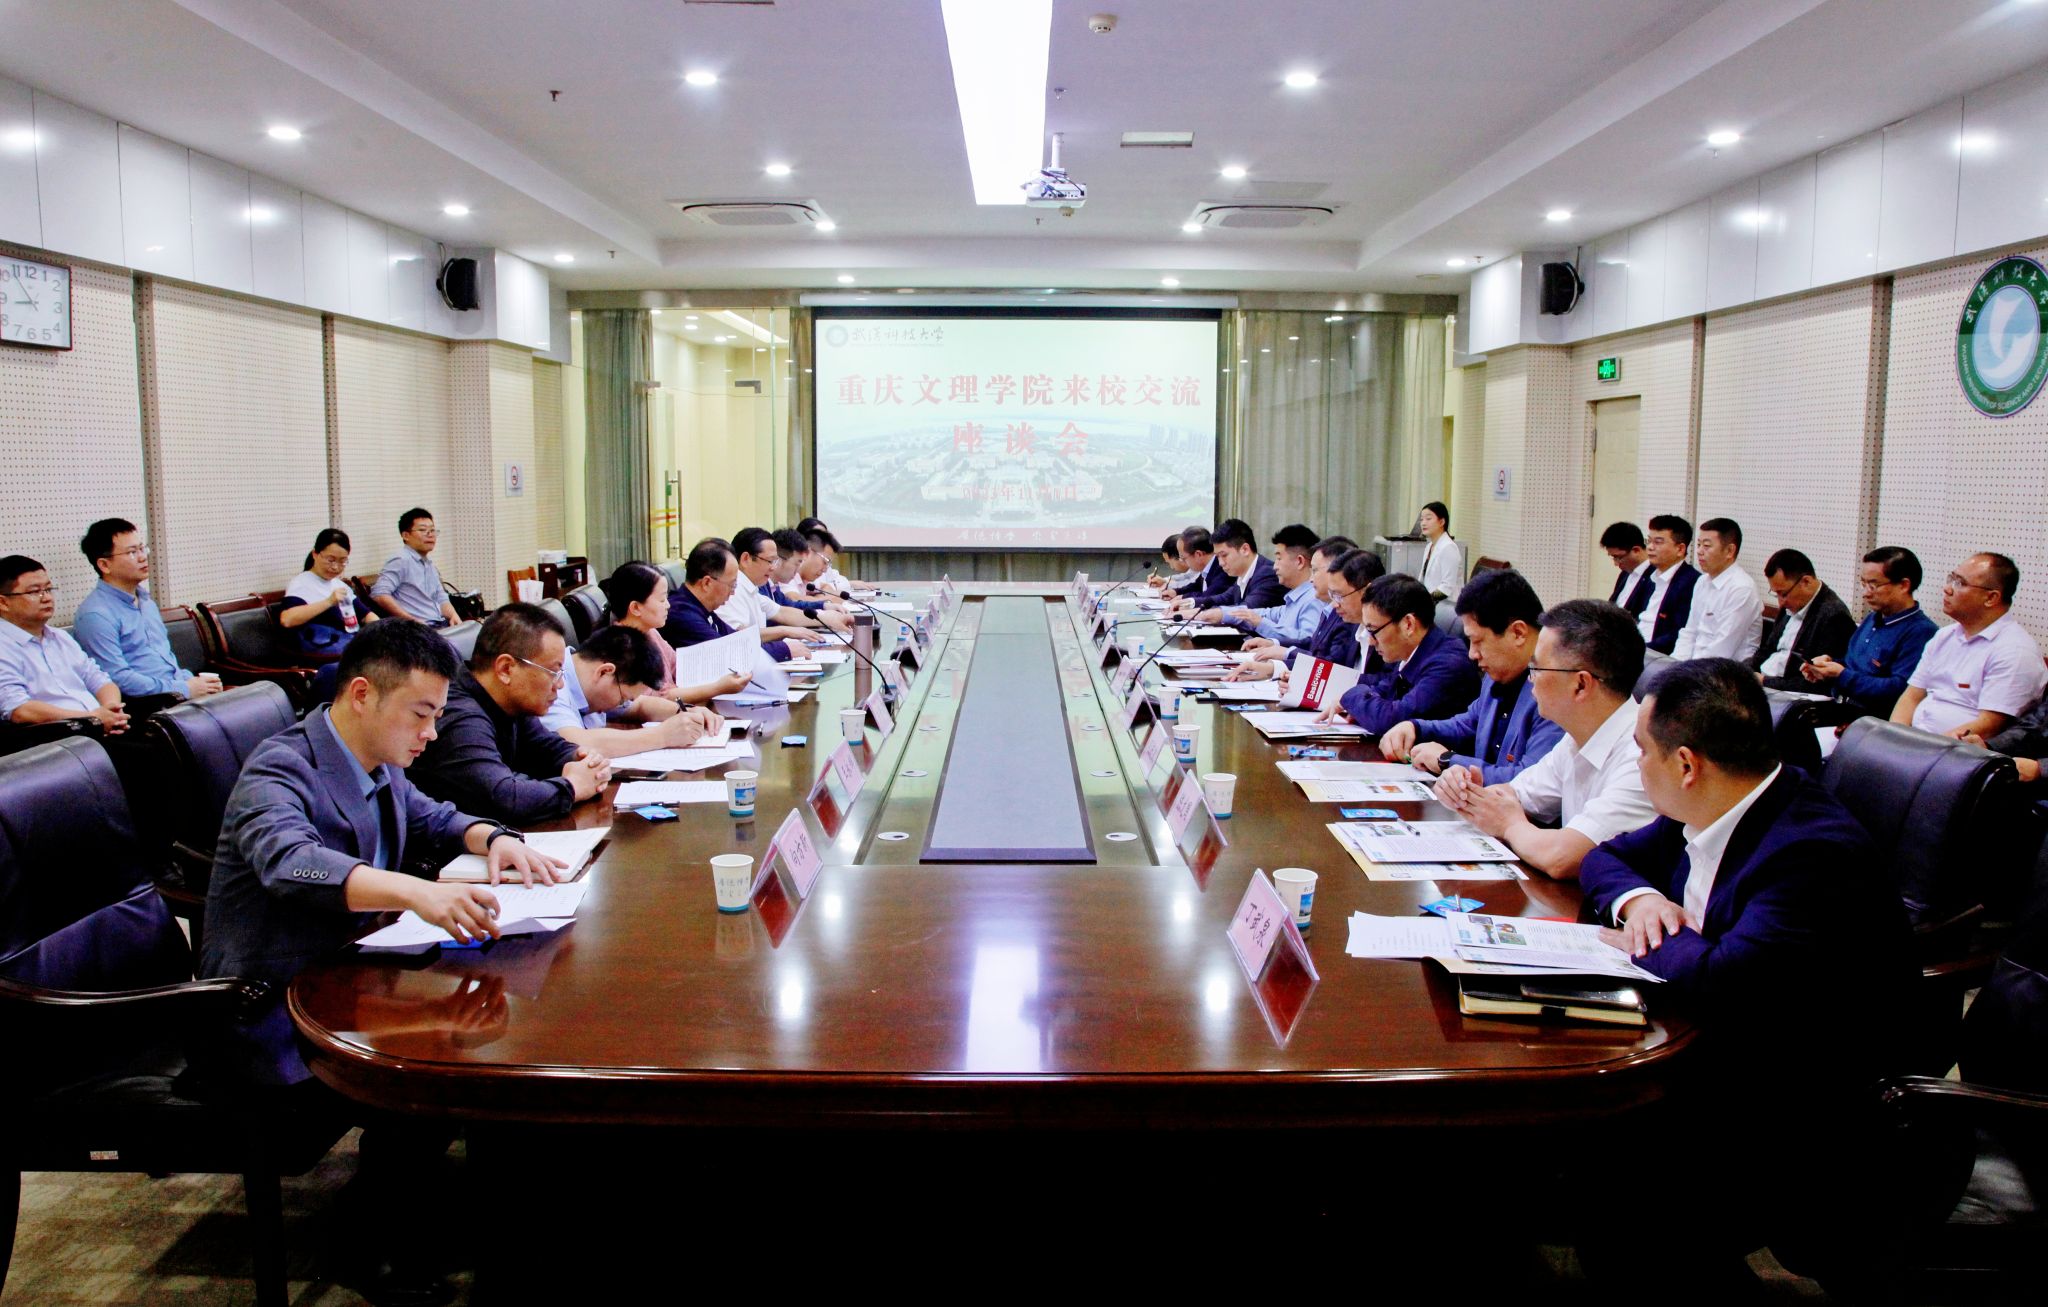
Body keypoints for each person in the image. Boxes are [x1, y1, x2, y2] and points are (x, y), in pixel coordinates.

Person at [198, 620, 562, 1301]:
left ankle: (463, 1217)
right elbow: (290, 861)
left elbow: (431, 816)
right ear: (363, 693)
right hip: (272, 1001)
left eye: (437, 715)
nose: (431, 733)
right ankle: (367, 1243)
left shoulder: (378, 760)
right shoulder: (280, 767)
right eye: (420, 715)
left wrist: (492, 836)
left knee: (490, 1016)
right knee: (445, 1058)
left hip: (348, 971)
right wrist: (416, 892)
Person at [1574, 658, 1914, 1288]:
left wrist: (1645, 943)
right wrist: (1640, 901)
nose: (1637, 764)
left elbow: (1726, 979)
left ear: (1686, 764)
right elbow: (1605, 859)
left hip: (1792, 1106)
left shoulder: (1807, 850)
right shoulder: (1712, 803)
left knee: (1597, 1171)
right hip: (1708, 1039)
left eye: (1642, 751)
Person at [1435, 599, 1654, 879]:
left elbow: (1562, 858)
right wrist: (1466, 790)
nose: (1531, 680)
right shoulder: (1576, 739)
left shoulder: (1642, 756)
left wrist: (1510, 825)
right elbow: (1513, 796)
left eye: (1536, 669)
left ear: (1581, 684)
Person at [411, 604, 612, 824]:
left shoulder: (510, 703)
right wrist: (572, 787)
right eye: (553, 672)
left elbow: (547, 748)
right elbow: (503, 798)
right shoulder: (461, 716)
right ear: (506, 669)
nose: (560, 684)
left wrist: (585, 760)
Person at [1377, 569, 1562, 783]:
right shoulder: (1498, 674)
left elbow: (1529, 782)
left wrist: (1448, 760)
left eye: (1478, 641)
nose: (1472, 654)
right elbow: (1468, 724)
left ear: (1518, 633)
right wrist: (1415, 728)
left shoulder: (1557, 690)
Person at [1892, 551, 2047, 740]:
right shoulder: (1944, 636)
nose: (1947, 589)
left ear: (1991, 598)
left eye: (1960, 583)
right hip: (1916, 740)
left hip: (1957, 750)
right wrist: (1895, 736)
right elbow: (1911, 696)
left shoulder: (2015, 651)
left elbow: (1990, 725)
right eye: (1951, 579)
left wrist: (1924, 748)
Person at [72, 516, 222, 702]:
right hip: (148, 705)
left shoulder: (146, 602)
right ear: (104, 565)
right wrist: (183, 688)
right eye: (132, 552)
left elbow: (165, 660)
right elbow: (117, 679)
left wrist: (192, 682)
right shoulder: (95, 615)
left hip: (177, 694)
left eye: (142, 549)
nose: (143, 557)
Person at [1320, 573, 1478, 733]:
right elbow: (1383, 690)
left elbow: (1394, 719)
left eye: (1373, 631)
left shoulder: (1447, 665)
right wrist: (1361, 704)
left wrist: (1352, 697)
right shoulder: (1411, 652)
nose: (1371, 641)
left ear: (1408, 624)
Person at [537, 622, 721, 759]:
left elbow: (639, 705)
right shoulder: (550, 686)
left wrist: (685, 712)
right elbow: (577, 744)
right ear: (605, 672)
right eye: (622, 698)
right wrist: (663, 735)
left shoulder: (590, 678)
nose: (622, 704)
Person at [601, 560, 752, 716]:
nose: (668, 605)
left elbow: (680, 668)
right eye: (661, 600)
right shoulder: (622, 649)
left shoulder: (650, 632)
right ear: (635, 608)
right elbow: (658, 700)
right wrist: (718, 687)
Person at [1802, 545, 1937, 719]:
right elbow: (1853, 666)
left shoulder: (1921, 631)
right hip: (1839, 705)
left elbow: (1899, 690)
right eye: (1863, 584)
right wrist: (1827, 667)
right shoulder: (1873, 618)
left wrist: (1841, 675)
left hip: (1871, 717)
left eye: (1873, 585)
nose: (1865, 593)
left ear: (1904, 585)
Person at [0, 554, 129, 735]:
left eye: (48, 589)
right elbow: (20, 710)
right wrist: (92, 719)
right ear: (3, 602)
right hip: (57, 739)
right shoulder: (4, 647)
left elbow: (99, 680)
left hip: (98, 730)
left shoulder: (60, 637)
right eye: (34, 592)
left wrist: (111, 711)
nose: (46, 598)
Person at [1229, 540, 1373, 681]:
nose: (1310, 579)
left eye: (1315, 570)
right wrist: (1276, 649)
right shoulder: (1333, 609)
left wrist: (1282, 660)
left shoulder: (1349, 617)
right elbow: (1314, 646)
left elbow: (1331, 666)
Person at [1749, 548, 1854, 690]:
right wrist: (1745, 673)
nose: (1781, 602)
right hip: (1764, 680)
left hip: (1789, 691)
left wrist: (1765, 682)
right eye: (1776, 594)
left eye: (1783, 594)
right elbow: (1768, 649)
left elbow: (1818, 682)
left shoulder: (1833, 616)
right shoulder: (1791, 604)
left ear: (1806, 582)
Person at [1209, 523, 1324, 642]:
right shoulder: (1295, 599)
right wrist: (1222, 613)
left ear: (1299, 561)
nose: (1275, 566)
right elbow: (1266, 614)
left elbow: (1309, 640)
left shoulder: (1313, 598)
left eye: (1279, 558)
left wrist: (1261, 624)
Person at [1670, 517, 1761, 661]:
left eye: (1706, 546)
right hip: (1693, 665)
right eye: (1698, 544)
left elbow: (1722, 648)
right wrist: (1674, 663)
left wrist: (1686, 670)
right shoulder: (1702, 581)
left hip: (1724, 669)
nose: (1699, 551)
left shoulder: (1742, 588)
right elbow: (1690, 632)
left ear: (1730, 551)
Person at [369, 507, 461, 626]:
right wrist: (412, 621)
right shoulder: (401, 560)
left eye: (432, 530)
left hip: (439, 624)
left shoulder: (429, 564)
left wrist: (453, 615)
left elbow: (441, 597)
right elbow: (379, 594)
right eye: (423, 530)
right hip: (419, 629)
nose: (430, 535)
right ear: (406, 535)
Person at [278, 527, 363, 656]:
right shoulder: (301, 583)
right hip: (327, 653)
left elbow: (366, 615)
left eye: (342, 561)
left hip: (348, 647)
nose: (335, 567)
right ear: (315, 554)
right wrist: (329, 602)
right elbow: (287, 620)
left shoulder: (339, 585)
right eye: (330, 560)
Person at [1191, 517, 1284, 617]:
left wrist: (1201, 614)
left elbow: (1245, 611)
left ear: (1245, 549)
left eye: (1224, 555)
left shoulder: (1268, 574)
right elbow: (1223, 598)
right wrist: (1190, 603)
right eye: (1217, 557)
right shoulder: (1242, 574)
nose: (1221, 563)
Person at [663, 538, 744, 650]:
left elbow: (736, 639)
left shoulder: (701, 607)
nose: (733, 592)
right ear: (706, 583)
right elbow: (727, 651)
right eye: (732, 584)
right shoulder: (684, 617)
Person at [1637, 515, 1699, 654]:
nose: (1650, 547)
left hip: (1656, 654)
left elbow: (1677, 634)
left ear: (1680, 549)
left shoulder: (1691, 582)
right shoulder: (1649, 575)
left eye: (1658, 542)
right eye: (1649, 541)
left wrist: (1639, 651)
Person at [1415, 501, 1466, 629]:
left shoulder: (1448, 547)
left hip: (1447, 609)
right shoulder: (1429, 546)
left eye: (1428, 519)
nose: (1423, 523)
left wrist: (1425, 600)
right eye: (1421, 519)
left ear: (1442, 522)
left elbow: (1446, 587)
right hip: (1431, 607)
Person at [1599, 521, 1655, 615]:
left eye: (1619, 557)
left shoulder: (1654, 578)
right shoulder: (1625, 573)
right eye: (1613, 557)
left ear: (1636, 550)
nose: (1616, 563)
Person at [1169, 526, 1229, 608]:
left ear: (1198, 554)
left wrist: (1184, 597)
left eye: (1183, 558)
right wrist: (1176, 592)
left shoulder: (1222, 568)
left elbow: (1208, 596)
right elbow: (1196, 586)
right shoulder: (1208, 567)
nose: (1183, 562)